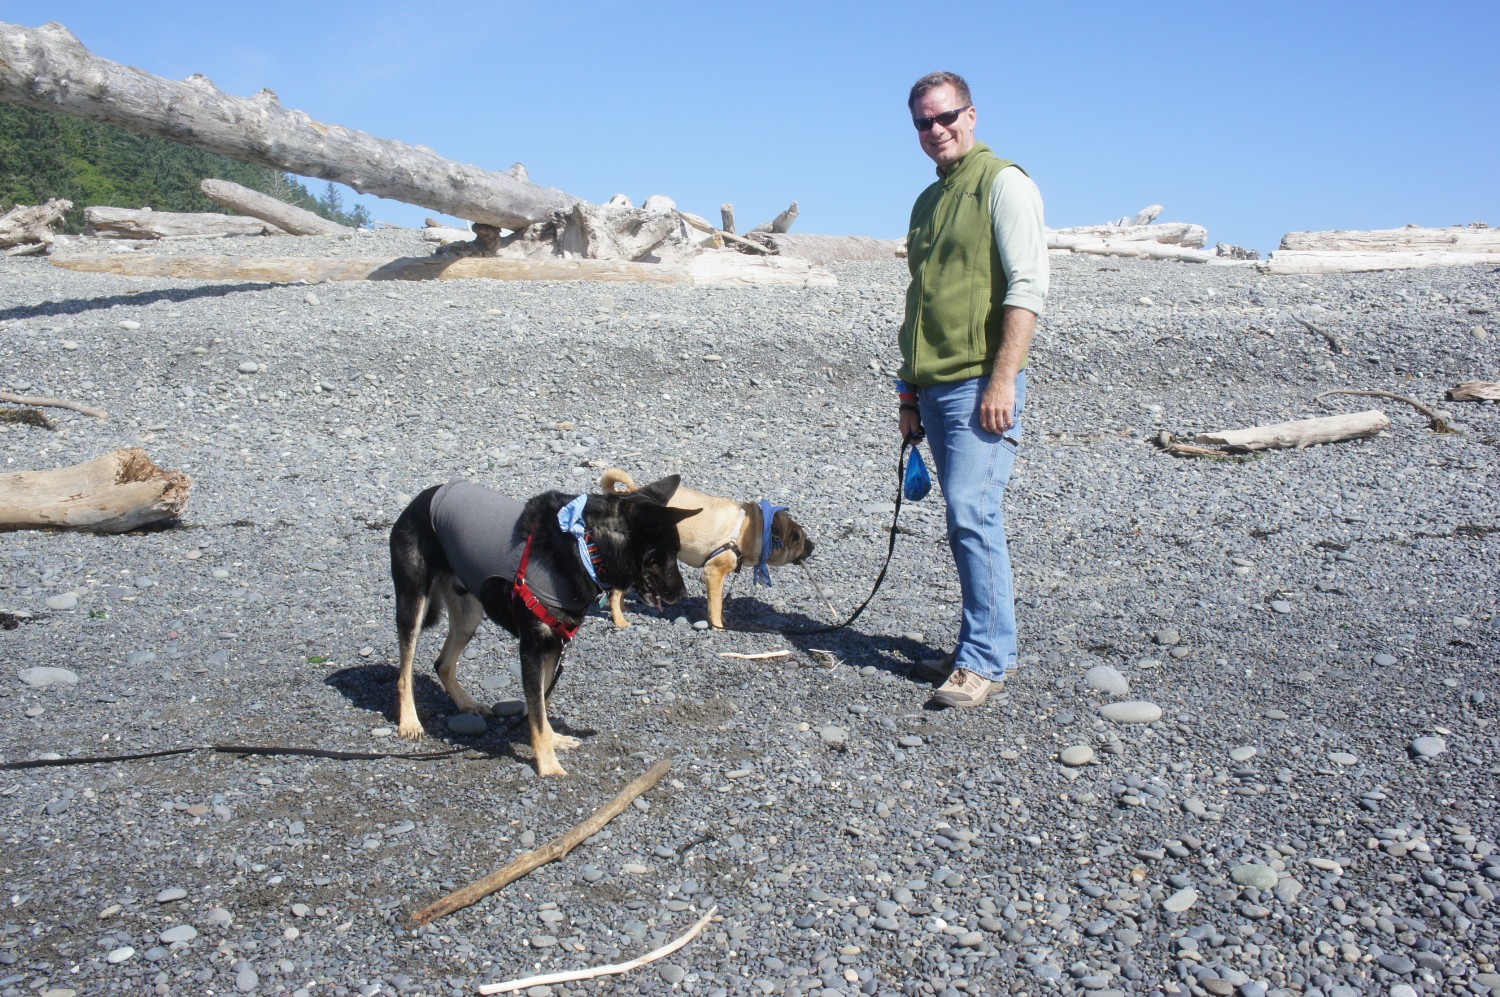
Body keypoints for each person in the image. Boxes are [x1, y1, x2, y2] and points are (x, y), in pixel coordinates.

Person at [896, 70, 1049, 709]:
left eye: (946, 117)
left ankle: (985, 659)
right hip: (932, 386)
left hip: (980, 385)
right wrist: (907, 393)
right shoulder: (929, 201)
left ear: (972, 114)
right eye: (924, 123)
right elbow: (920, 301)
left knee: (973, 515)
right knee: (965, 519)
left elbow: (1028, 287)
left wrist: (1003, 379)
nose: (937, 131)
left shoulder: (1003, 183)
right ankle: (982, 646)